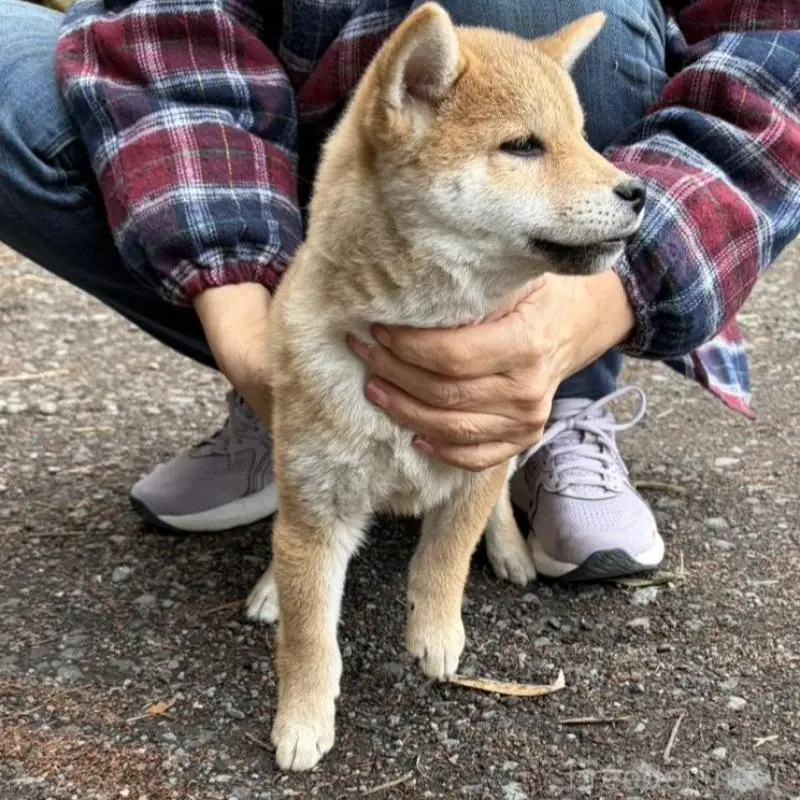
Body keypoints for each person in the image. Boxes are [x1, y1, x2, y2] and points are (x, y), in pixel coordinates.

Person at [1, 0, 798, 581]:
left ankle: (549, 396)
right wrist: (250, 328)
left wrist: (602, 301)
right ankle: (301, 411)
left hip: (508, 149)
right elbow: (166, 26)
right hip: (321, 179)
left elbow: (776, 52)